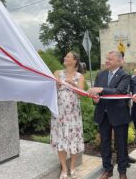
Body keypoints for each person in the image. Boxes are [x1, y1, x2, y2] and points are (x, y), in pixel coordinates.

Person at [88, 50, 131, 179]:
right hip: (103, 115)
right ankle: (107, 170)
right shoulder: (100, 74)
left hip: (119, 116)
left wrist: (101, 90)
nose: (106, 61)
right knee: (105, 144)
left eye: (110, 59)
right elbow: (95, 93)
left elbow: (119, 91)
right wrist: (95, 99)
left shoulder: (125, 75)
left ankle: (122, 172)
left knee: (121, 145)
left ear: (118, 61)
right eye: (106, 58)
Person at [51, 51, 85, 179]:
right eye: (65, 56)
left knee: (73, 139)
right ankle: (64, 168)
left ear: (75, 60)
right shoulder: (57, 73)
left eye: (68, 56)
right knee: (61, 139)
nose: (65, 57)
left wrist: (74, 85)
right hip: (59, 113)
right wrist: (56, 84)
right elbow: (50, 90)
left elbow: (82, 93)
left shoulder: (79, 76)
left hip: (73, 114)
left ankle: (72, 166)